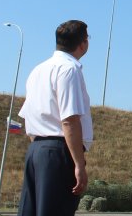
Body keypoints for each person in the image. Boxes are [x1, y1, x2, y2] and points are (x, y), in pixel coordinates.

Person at [17, 20, 94, 216]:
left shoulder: (38, 70)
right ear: (83, 43)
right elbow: (69, 119)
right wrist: (78, 163)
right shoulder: (69, 69)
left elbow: (28, 115)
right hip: (59, 151)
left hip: (36, 148)